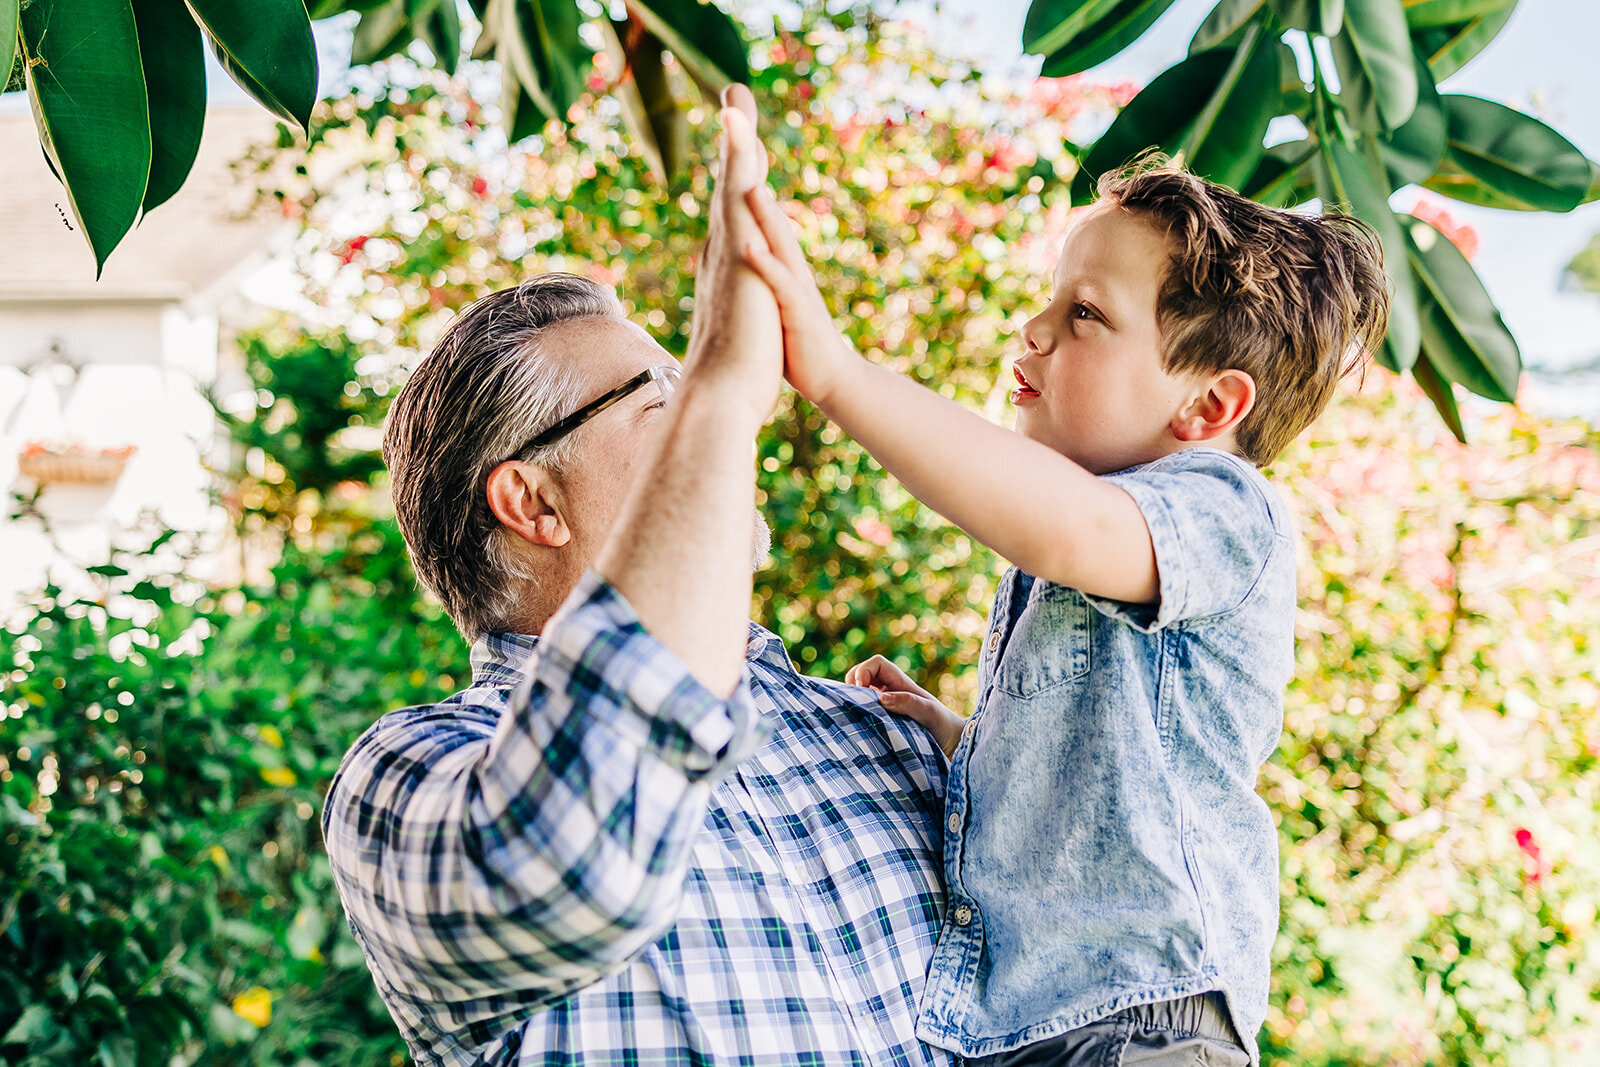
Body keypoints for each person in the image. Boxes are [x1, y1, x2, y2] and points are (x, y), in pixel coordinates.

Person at [321, 89, 954, 1066]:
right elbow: (572, 868)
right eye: (660, 394)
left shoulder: (884, 735)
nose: (723, 403)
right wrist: (721, 390)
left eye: (695, 373)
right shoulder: (411, 774)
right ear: (532, 502)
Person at [737, 155, 1391, 1065]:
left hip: (1144, 1020)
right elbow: (1100, 778)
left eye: (1085, 313)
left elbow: (1063, 526)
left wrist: (838, 373)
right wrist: (965, 737)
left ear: (1209, 403)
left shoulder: (1224, 508)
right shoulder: (1092, 549)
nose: (1036, 329)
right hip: (1033, 1023)